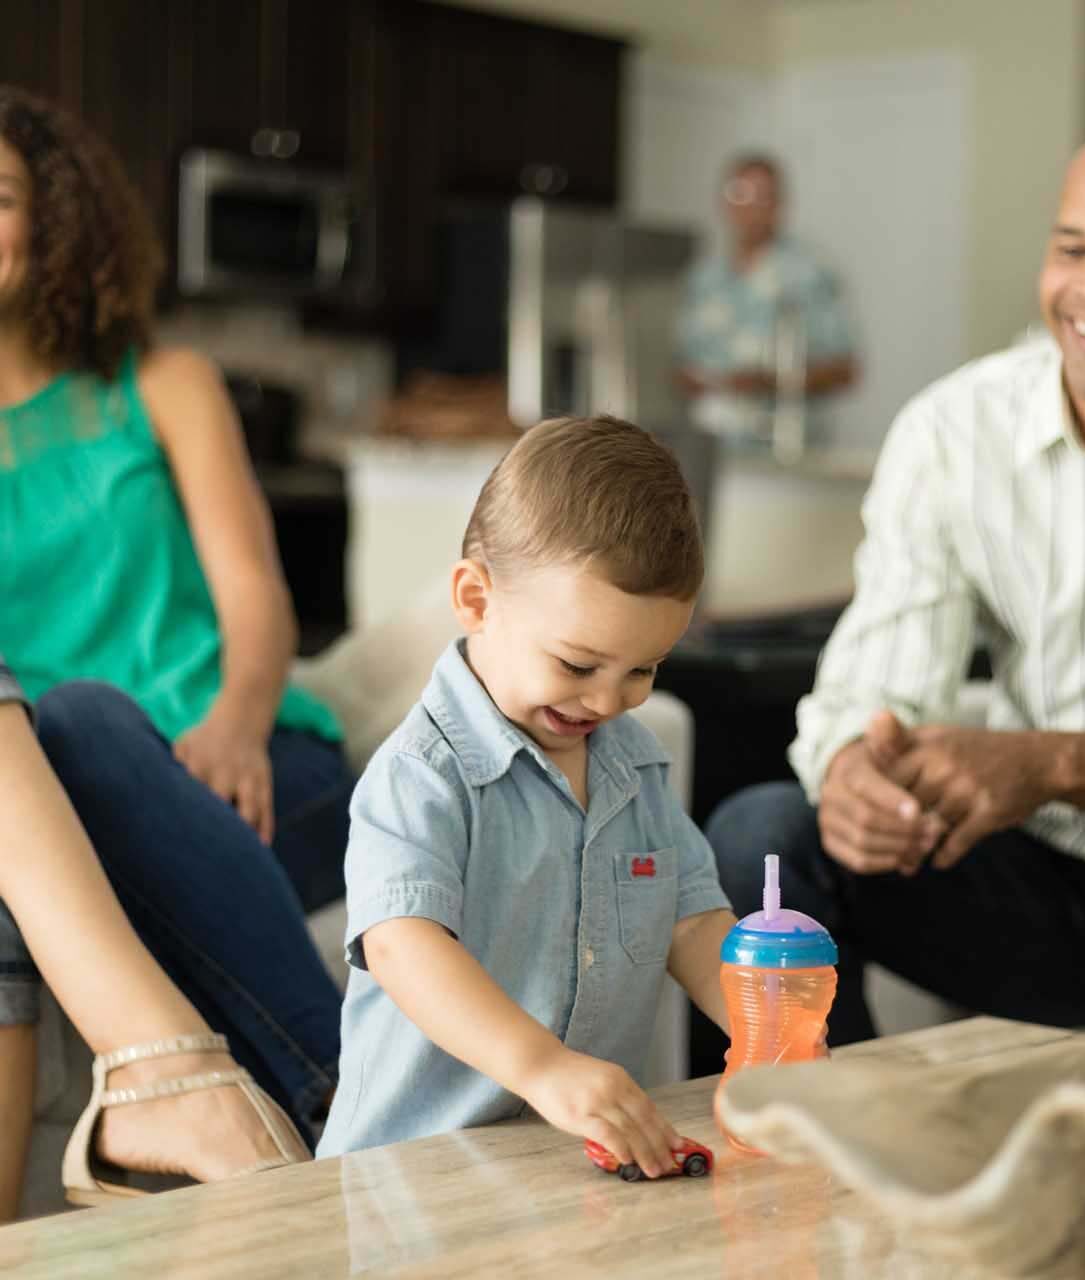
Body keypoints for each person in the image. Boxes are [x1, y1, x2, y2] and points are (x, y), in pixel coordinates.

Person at [706, 116, 1085, 1044]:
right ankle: (837, 1124)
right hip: (1032, 898)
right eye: (1073, 248)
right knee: (759, 833)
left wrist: (1046, 764)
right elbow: (875, 691)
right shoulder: (953, 432)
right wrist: (855, 772)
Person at [0, 87, 349, 1145]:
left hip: (240, 759)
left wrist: (238, 722)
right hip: (50, 804)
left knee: (86, 718)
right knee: (68, 732)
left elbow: (255, 592)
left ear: (56, 220)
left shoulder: (164, 382)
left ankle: (338, 1096)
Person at [317, 416, 734, 1175]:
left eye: (642, 670)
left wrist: (769, 1031)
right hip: (413, 1178)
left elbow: (695, 921)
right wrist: (543, 1068)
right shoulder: (421, 773)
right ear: (476, 600)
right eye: (577, 665)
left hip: (570, 1165)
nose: (607, 701)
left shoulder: (636, 768)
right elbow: (402, 945)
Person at [0, 659, 309, 1218]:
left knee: (86, 720)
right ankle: (182, 1077)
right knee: (79, 725)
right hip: (51, 786)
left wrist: (238, 725)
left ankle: (323, 1093)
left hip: (203, 773)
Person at [675, 152, 859, 449]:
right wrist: (697, 381)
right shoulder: (704, 279)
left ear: (780, 204)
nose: (751, 206)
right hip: (713, 446)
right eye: (740, 193)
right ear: (724, 201)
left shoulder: (810, 274)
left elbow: (845, 371)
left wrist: (772, 382)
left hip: (785, 449)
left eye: (763, 196)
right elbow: (684, 364)